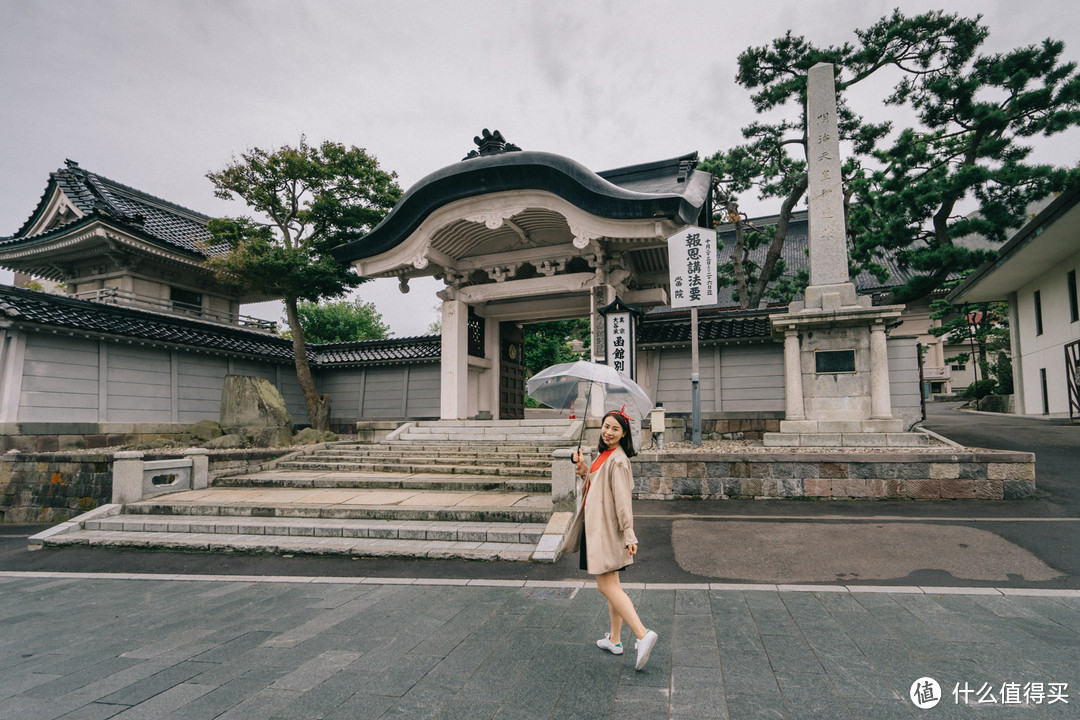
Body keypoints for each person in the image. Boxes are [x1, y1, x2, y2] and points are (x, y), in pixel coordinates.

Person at [573, 407, 659, 671]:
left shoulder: (619, 460)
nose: (608, 432)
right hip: (598, 527)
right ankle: (615, 639)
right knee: (614, 586)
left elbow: (623, 502)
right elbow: (597, 486)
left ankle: (643, 635)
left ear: (624, 434)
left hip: (607, 532)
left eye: (615, 429)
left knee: (606, 586)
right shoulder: (604, 454)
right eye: (606, 426)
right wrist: (584, 469)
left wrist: (629, 534)